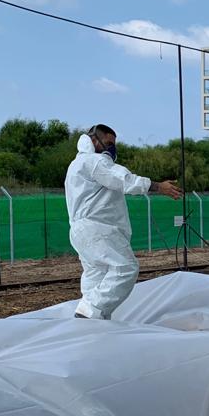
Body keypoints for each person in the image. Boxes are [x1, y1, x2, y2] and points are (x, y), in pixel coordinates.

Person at [65, 124, 181, 320]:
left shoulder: (76, 165)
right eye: (109, 143)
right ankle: (89, 312)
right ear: (94, 140)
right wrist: (158, 186)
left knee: (97, 273)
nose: (112, 148)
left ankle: (92, 324)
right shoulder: (94, 161)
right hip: (98, 228)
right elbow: (123, 179)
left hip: (81, 229)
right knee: (125, 268)